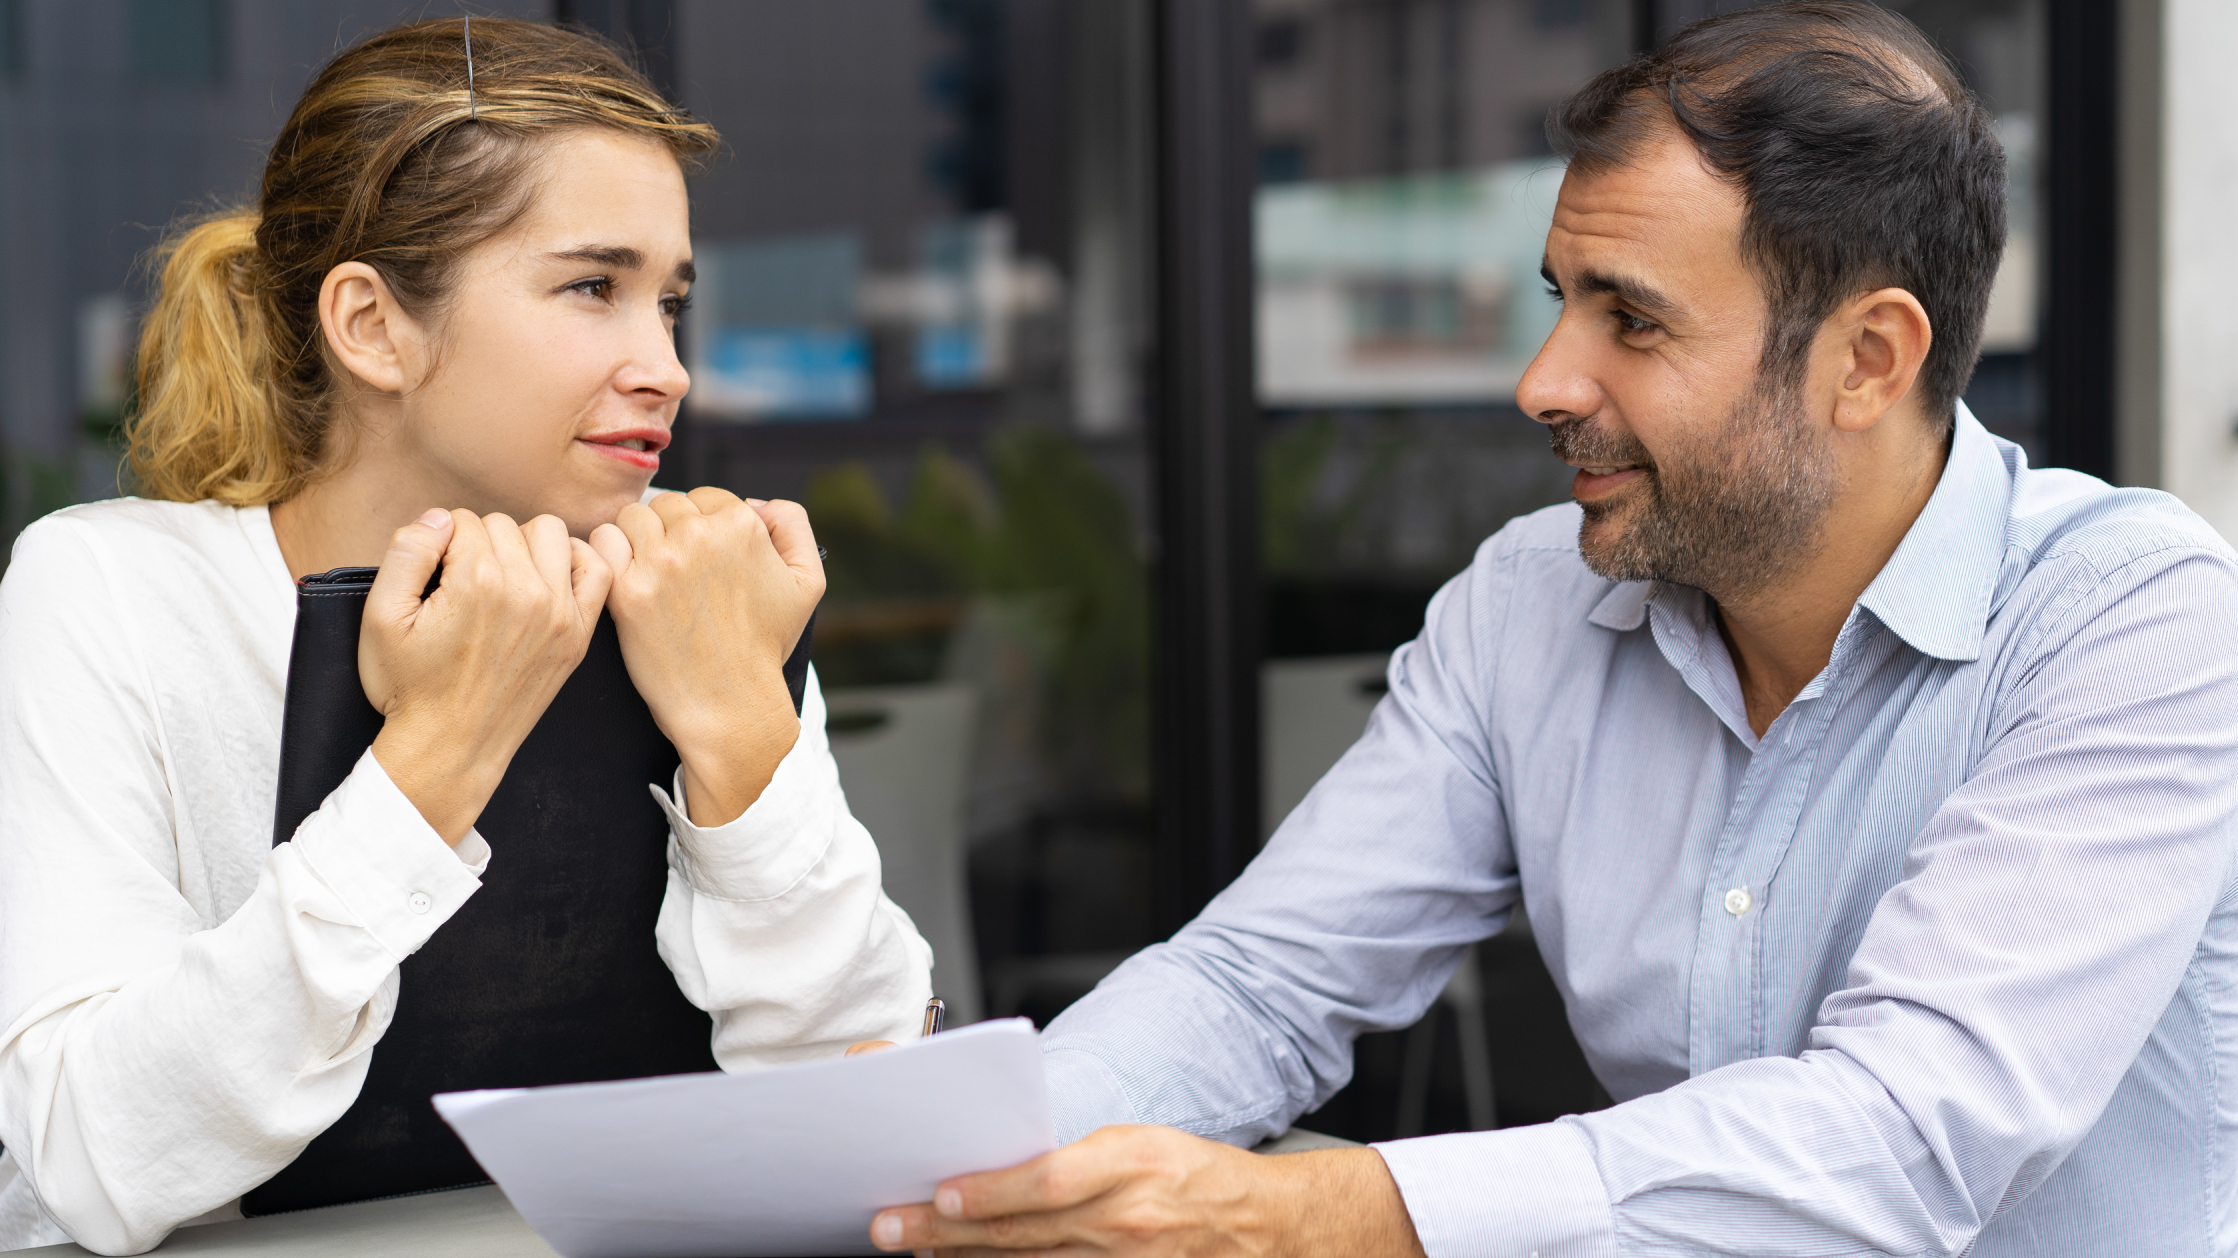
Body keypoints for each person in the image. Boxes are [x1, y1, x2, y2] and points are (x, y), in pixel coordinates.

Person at [868, 4, 2238, 1256]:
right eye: (1559, 296)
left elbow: (1903, 1132)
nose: (1540, 381)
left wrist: (1321, 1210)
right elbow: (1258, 984)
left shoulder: (2127, 622)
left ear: (1865, 360)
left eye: (1630, 319)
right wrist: (974, 1180)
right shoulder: (1532, 599)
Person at [0, 18, 930, 1255]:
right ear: (375, 326)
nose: (667, 367)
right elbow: (93, 1158)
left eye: (670, 301)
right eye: (593, 286)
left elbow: (873, 1117)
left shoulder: (676, 582)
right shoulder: (108, 588)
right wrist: (432, 755)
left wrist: (744, 732)